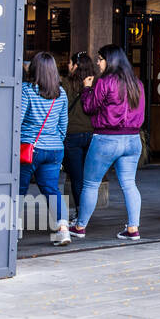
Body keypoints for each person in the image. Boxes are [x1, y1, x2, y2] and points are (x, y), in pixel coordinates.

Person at [73, 45, 146, 240]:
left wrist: (87, 88)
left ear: (110, 60)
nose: (97, 62)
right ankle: (133, 229)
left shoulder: (105, 82)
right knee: (130, 184)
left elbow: (89, 108)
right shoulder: (137, 83)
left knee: (90, 184)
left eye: (100, 59)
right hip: (132, 139)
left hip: (106, 138)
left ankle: (80, 227)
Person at [20, 52, 71, 246]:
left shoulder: (27, 90)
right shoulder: (61, 92)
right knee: (51, 189)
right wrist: (55, 141)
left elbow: (20, 118)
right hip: (55, 149)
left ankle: (11, 232)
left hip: (30, 148)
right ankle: (63, 229)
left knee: (19, 189)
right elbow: (63, 125)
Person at [61, 51, 96, 222]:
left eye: (70, 63)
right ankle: (86, 213)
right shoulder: (96, 84)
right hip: (92, 134)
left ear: (76, 65)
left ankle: (80, 214)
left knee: (76, 178)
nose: (68, 66)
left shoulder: (66, 84)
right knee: (89, 177)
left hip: (71, 134)